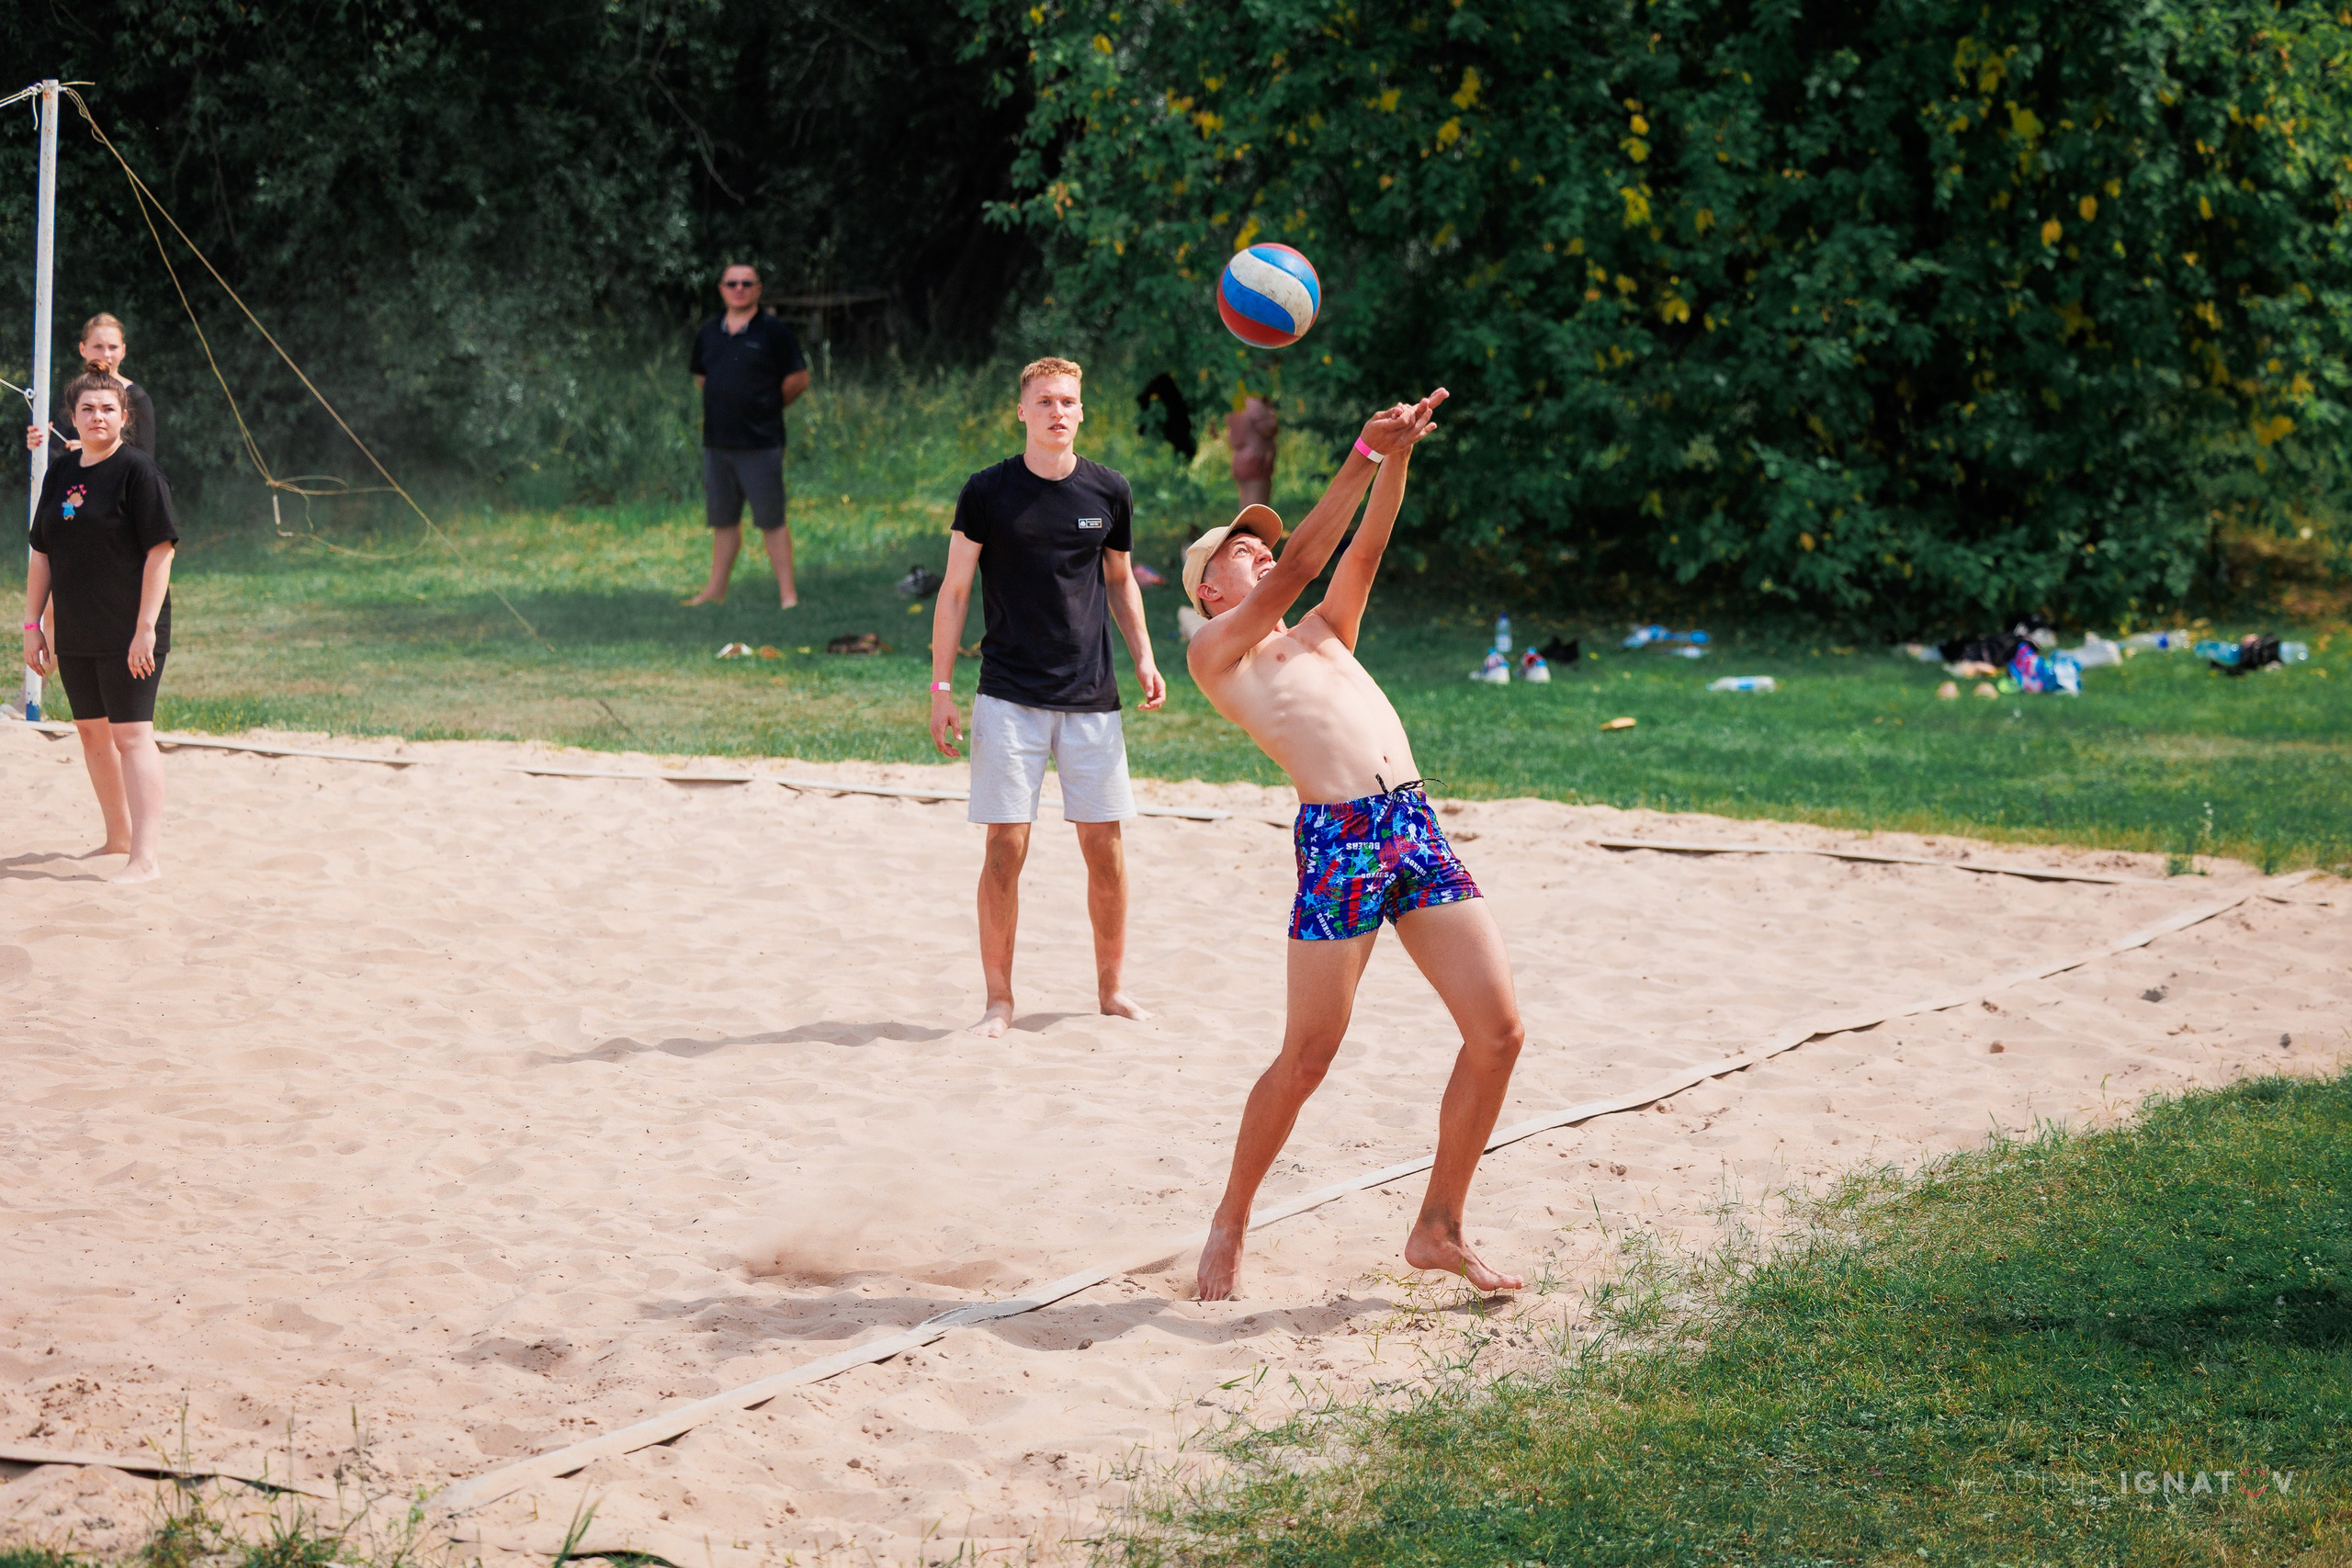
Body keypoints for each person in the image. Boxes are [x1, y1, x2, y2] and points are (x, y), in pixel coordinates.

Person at [1182, 387, 1529, 1302]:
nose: (1260, 550)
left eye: (1260, 541)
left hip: (1412, 824)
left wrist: (1399, 454)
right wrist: (1361, 454)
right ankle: (1231, 1217)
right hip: (1339, 843)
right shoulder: (1217, 654)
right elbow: (1303, 562)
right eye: (1239, 550)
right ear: (1210, 590)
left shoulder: (1323, 633)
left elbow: (1360, 550)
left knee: (1499, 1033)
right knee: (1308, 1057)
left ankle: (1438, 1226)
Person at [927, 357, 1166, 1037]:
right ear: (1023, 411)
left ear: (1081, 411)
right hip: (1008, 695)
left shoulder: (1109, 490)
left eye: (1068, 401)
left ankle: (1112, 989)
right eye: (1045, 401)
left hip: (1092, 696)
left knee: (1105, 850)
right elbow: (954, 591)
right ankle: (999, 999)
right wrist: (941, 689)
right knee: (1005, 847)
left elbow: (1120, 580)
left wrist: (1145, 655)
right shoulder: (987, 491)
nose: (1057, 411)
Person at [21, 364, 180, 884]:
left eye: (108, 408)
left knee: (131, 734)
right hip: (76, 625)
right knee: (92, 732)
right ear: (73, 416)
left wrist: (146, 629)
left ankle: (145, 859)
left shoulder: (139, 472)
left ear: (124, 415)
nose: (97, 416)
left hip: (130, 628)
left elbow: (161, 552)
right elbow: (41, 551)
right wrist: (32, 624)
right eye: (87, 408)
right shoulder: (61, 472)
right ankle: (118, 838)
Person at [684, 263, 810, 609]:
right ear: (722, 289)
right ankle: (715, 591)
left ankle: (788, 596)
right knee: (723, 521)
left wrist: (766, 406)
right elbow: (702, 378)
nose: (738, 289)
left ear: (758, 289)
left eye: (746, 283)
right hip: (717, 443)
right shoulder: (709, 332)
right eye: (732, 283)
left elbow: (799, 379)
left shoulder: (774, 332)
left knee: (771, 520)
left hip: (761, 443)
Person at [24, 313, 156, 457]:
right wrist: (40, 445)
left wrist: (96, 450)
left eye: (113, 347)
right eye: (98, 347)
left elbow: (145, 459)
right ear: (82, 349)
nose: (106, 354)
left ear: (123, 351)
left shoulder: (137, 398)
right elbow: (57, 454)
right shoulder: (72, 393)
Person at [1227, 393, 1278, 507]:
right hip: (1257, 460)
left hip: (1239, 459)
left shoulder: (1237, 403)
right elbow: (1270, 428)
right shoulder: (1256, 405)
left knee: (1245, 505)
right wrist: (1270, 409)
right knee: (1257, 506)